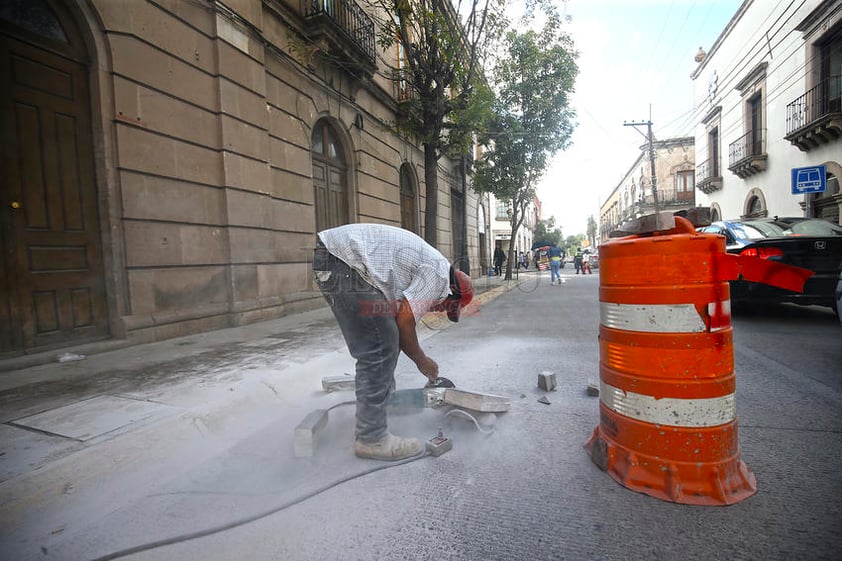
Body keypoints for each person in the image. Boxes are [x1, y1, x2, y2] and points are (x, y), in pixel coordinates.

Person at [313, 223, 474, 461]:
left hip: (335, 259)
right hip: (343, 261)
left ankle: (381, 404)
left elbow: (397, 326)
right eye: (448, 308)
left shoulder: (431, 269)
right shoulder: (439, 276)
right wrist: (422, 361)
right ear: (452, 293)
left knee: (382, 336)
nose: (440, 310)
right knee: (380, 345)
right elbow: (405, 323)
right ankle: (371, 437)